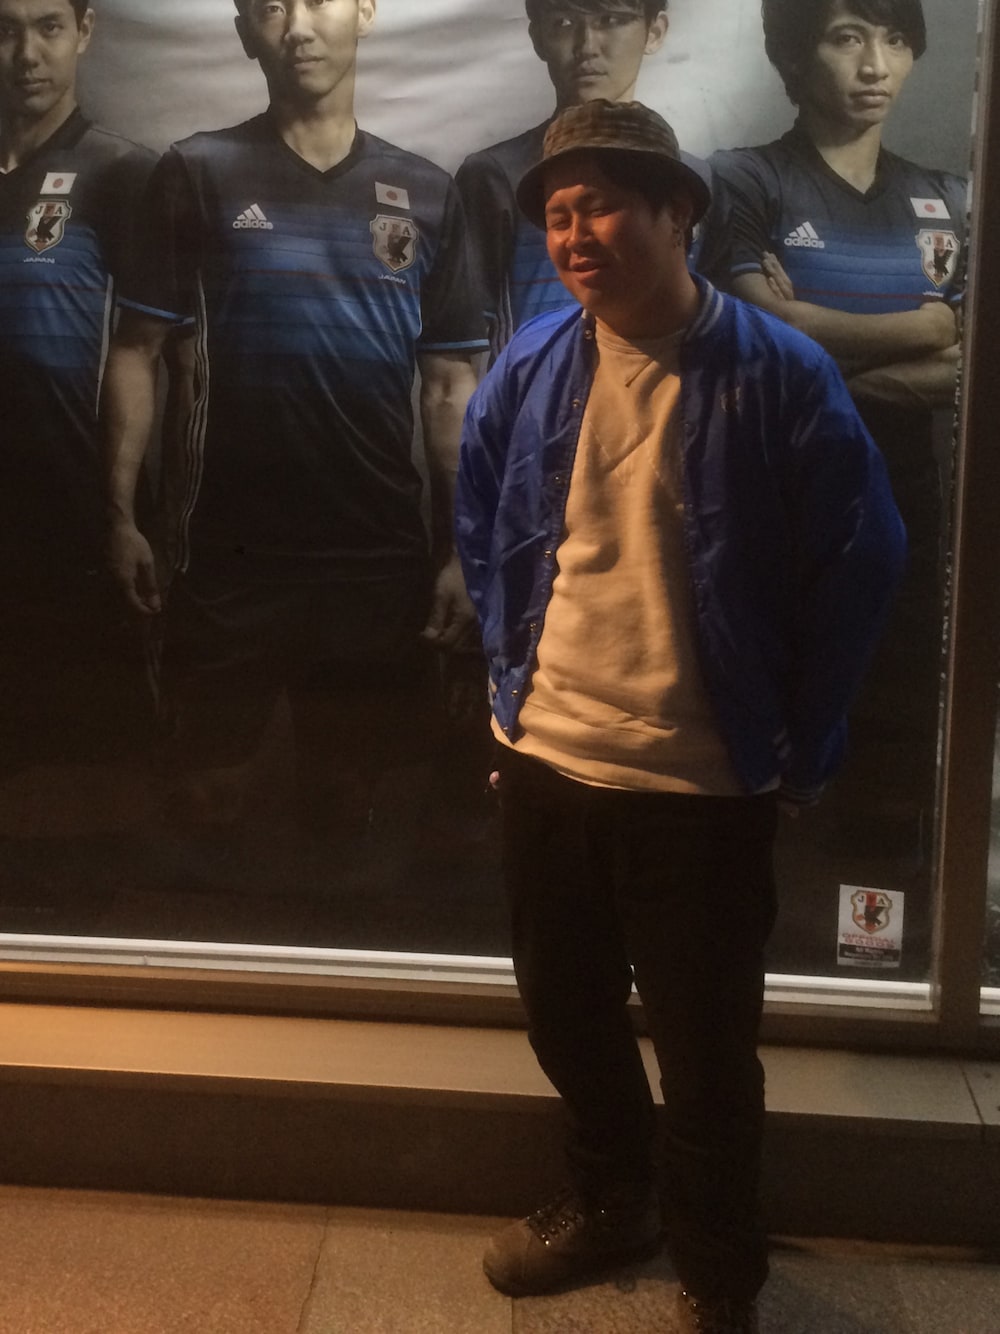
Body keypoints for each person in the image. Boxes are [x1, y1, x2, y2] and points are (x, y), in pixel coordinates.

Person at [455, 99, 905, 1333]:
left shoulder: (778, 374)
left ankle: (718, 1271)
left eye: (600, 205)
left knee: (706, 1054)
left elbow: (860, 564)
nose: (573, 234)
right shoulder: (532, 364)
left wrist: (798, 747)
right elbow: (485, 528)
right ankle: (611, 1201)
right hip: (549, 762)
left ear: (677, 212)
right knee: (565, 1014)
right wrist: (509, 705)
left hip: (701, 785)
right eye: (557, 213)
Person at [103, 0, 486, 843]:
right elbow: (135, 350)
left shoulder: (427, 191)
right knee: (203, 806)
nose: (298, 27)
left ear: (364, 12)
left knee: (349, 810)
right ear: (246, 30)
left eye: (318, 1)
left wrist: (460, 548)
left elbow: (450, 386)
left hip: (374, 559)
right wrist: (121, 516)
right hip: (224, 557)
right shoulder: (197, 170)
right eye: (272, 7)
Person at [707, 0, 964, 875]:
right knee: (767, 738)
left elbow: (967, 370)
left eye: (894, 40)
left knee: (890, 737)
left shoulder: (947, 198)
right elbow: (759, 332)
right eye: (846, 37)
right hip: (773, 503)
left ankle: (877, 912)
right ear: (794, 54)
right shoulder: (744, 179)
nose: (875, 65)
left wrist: (820, 358)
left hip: (906, 509)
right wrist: (925, 327)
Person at [0, 0, 156, 781]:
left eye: (49, 27)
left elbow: (143, 353)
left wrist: (121, 516)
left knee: (78, 767)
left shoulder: (122, 171)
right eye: (5, 30)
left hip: (68, 519)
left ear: (85, 31)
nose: (27, 53)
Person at [455, 0, 668, 358]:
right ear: (538, 37)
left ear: (655, 31)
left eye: (611, 20)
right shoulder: (496, 177)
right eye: (564, 22)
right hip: (536, 390)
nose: (587, 45)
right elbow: (464, 353)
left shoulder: (693, 182)